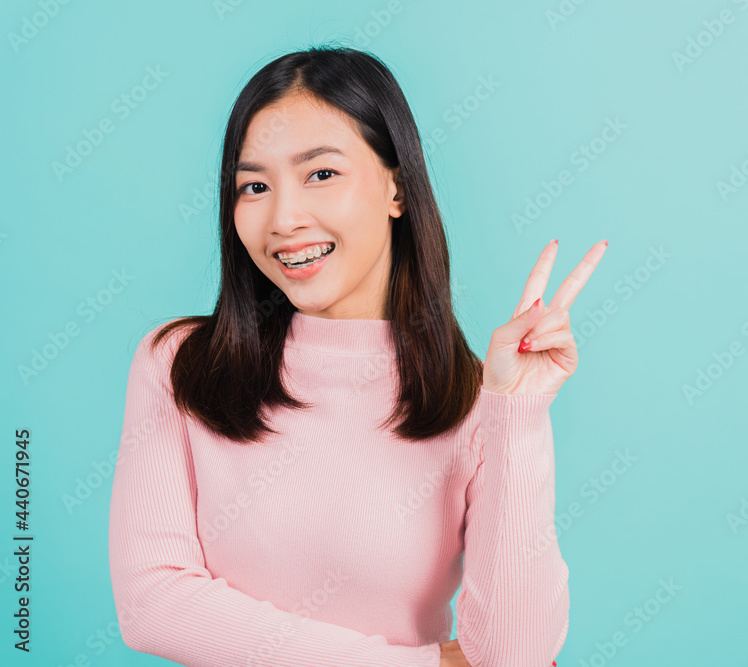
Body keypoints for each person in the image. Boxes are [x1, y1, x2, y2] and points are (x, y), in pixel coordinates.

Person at [107, 44, 606, 667]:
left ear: (397, 187)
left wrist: (519, 412)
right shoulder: (180, 365)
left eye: (321, 174)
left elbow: (516, 655)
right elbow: (153, 604)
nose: (284, 218)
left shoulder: (475, 402)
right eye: (255, 185)